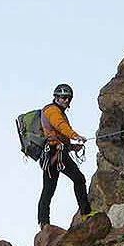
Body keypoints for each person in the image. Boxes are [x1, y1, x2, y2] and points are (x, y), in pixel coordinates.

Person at [38, 84, 91, 227]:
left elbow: (59, 134)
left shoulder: (56, 111)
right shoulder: (52, 111)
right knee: (78, 179)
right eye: (63, 97)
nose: (66, 100)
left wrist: (73, 146)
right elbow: (60, 126)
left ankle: (43, 222)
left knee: (49, 189)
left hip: (55, 153)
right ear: (56, 97)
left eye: (69, 98)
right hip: (55, 153)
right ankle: (86, 213)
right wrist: (75, 136)